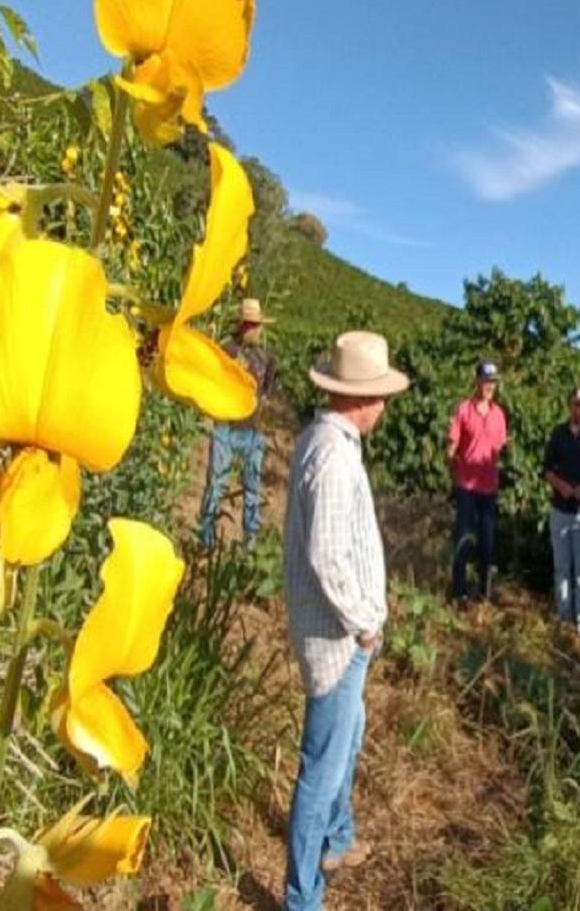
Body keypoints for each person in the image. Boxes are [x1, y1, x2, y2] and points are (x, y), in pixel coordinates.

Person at [282, 330, 409, 911]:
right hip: (338, 640)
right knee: (321, 769)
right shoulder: (334, 457)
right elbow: (328, 556)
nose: (384, 406)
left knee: (346, 739)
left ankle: (337, 839)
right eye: (380, 395)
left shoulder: (325, 441)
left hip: (338, 634)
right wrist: (364, 624)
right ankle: (302, 897)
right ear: (362, 399)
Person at [197, 298, 278, 551]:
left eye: (258, 325)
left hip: (253, 431)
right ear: (242, 325)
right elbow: (212, 383)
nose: (256, 330)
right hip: (226, 427)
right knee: (216, 484)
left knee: (252, 486)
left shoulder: (266, 358)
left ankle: (249, 543)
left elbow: (267, 392)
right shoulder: (226, 351)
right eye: (252, 325)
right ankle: (206, 541)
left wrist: (260, 407)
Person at [542, 386, 580, 636]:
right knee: (561, 567)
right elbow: (547, 470)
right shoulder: (558, 434)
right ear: (569, 405)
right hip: (559, 510)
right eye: (576, 404)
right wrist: (561, 486)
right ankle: (564, 615)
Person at [447, 360, 507, 604]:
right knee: (463, 540)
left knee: (487, 543)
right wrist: (457, 472)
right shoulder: (463, 410)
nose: (489, 386)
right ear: (477, 382)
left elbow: (498, 449)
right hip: (466, 487)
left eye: (492, 382)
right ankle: (459, 592)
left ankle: (485, 593)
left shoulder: (499, 414)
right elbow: (451, 449)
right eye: (485, 381)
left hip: (488, 488)